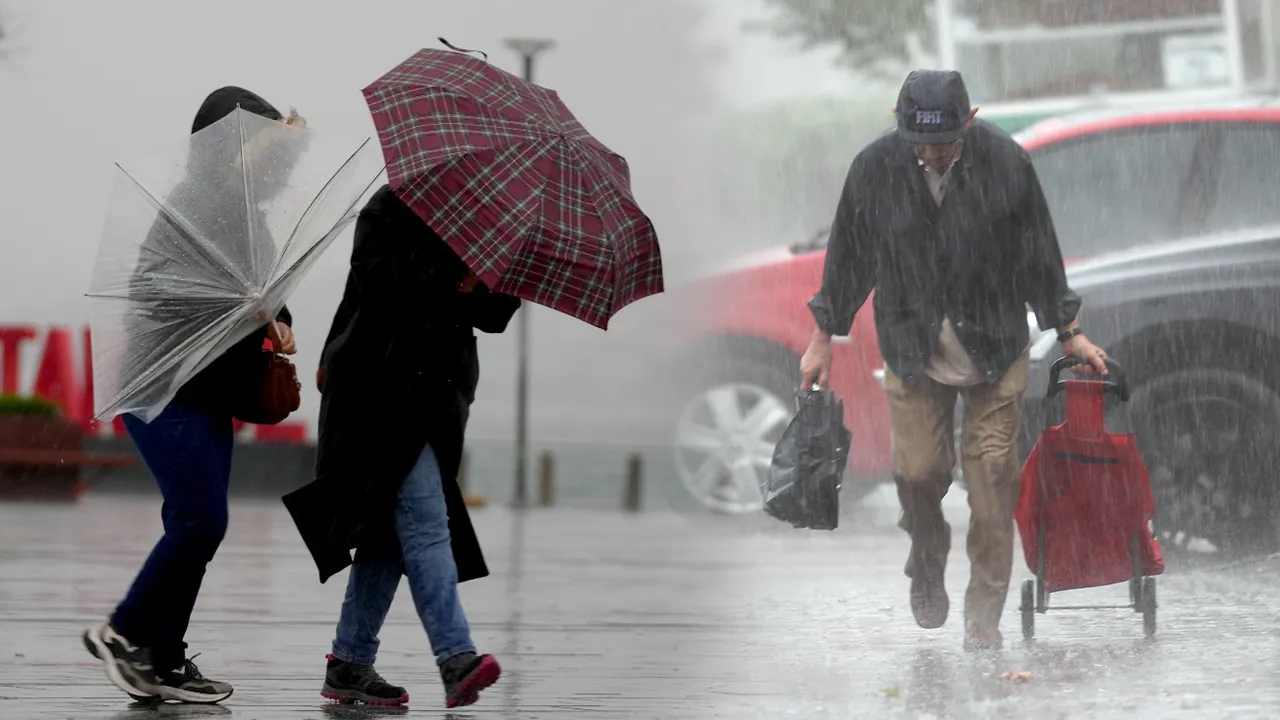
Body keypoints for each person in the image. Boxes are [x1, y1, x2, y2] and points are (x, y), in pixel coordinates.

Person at [799, 70, 1108, 651]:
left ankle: (983, 617)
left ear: (969, 121)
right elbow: (848, 257)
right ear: (900, 122)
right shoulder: (874, 169)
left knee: (993, 478)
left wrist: (1069, 330)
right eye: (918, 142)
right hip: (913, 347)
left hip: (994, 344)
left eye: (943, 144)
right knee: (917, 474)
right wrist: (823, 337)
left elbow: (1040, 253)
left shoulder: (1006, 163)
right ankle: (927, 558)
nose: (931, 154)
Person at [83, 86, 301, 703]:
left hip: (213, 391)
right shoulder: (192, 203)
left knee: (193, 524)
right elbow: (152, 286)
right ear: (224, 144)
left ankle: (163, 661)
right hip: (165, 386)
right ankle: (121, 632)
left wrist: (280, 320)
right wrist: (241, 302)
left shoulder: (250, 216)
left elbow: (267, 292)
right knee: (201, 521)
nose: (267, 157)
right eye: (256, 142)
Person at [283, 184, 520, 709]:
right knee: (427, 523)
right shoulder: (390, 206)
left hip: (439, 401)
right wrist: (454, 285)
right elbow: (380, 285)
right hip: (380, 394)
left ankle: (349, 661)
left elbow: (498, 313)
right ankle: (456, 657)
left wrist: (485, 284)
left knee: (387, 537)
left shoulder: (487, 221)